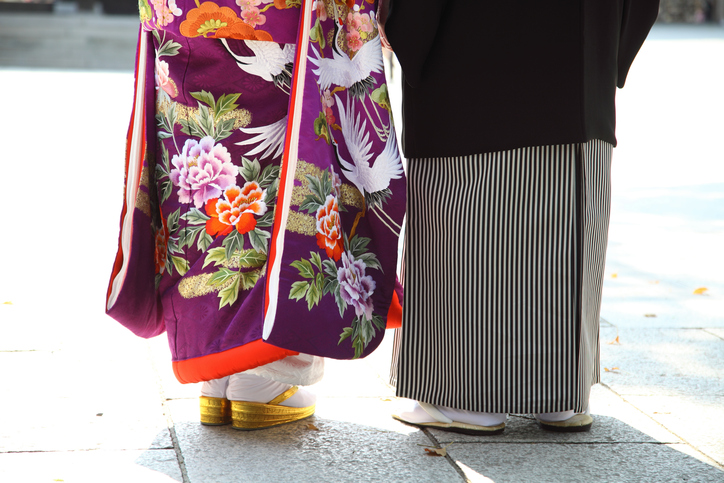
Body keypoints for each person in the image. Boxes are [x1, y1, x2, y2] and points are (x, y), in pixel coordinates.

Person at [106, 0, 404, 430]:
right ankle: (268, 375)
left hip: (178, 18)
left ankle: (220, 373)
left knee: (201, 179)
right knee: (275, 180)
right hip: (276, 18)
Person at [381, 1, 660, 433]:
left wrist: (399, 21)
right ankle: (559, 396)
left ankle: (467, 398)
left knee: (470, 220)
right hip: (582, 71)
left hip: (471, 64)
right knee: (563, 221)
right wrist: (607, 49)